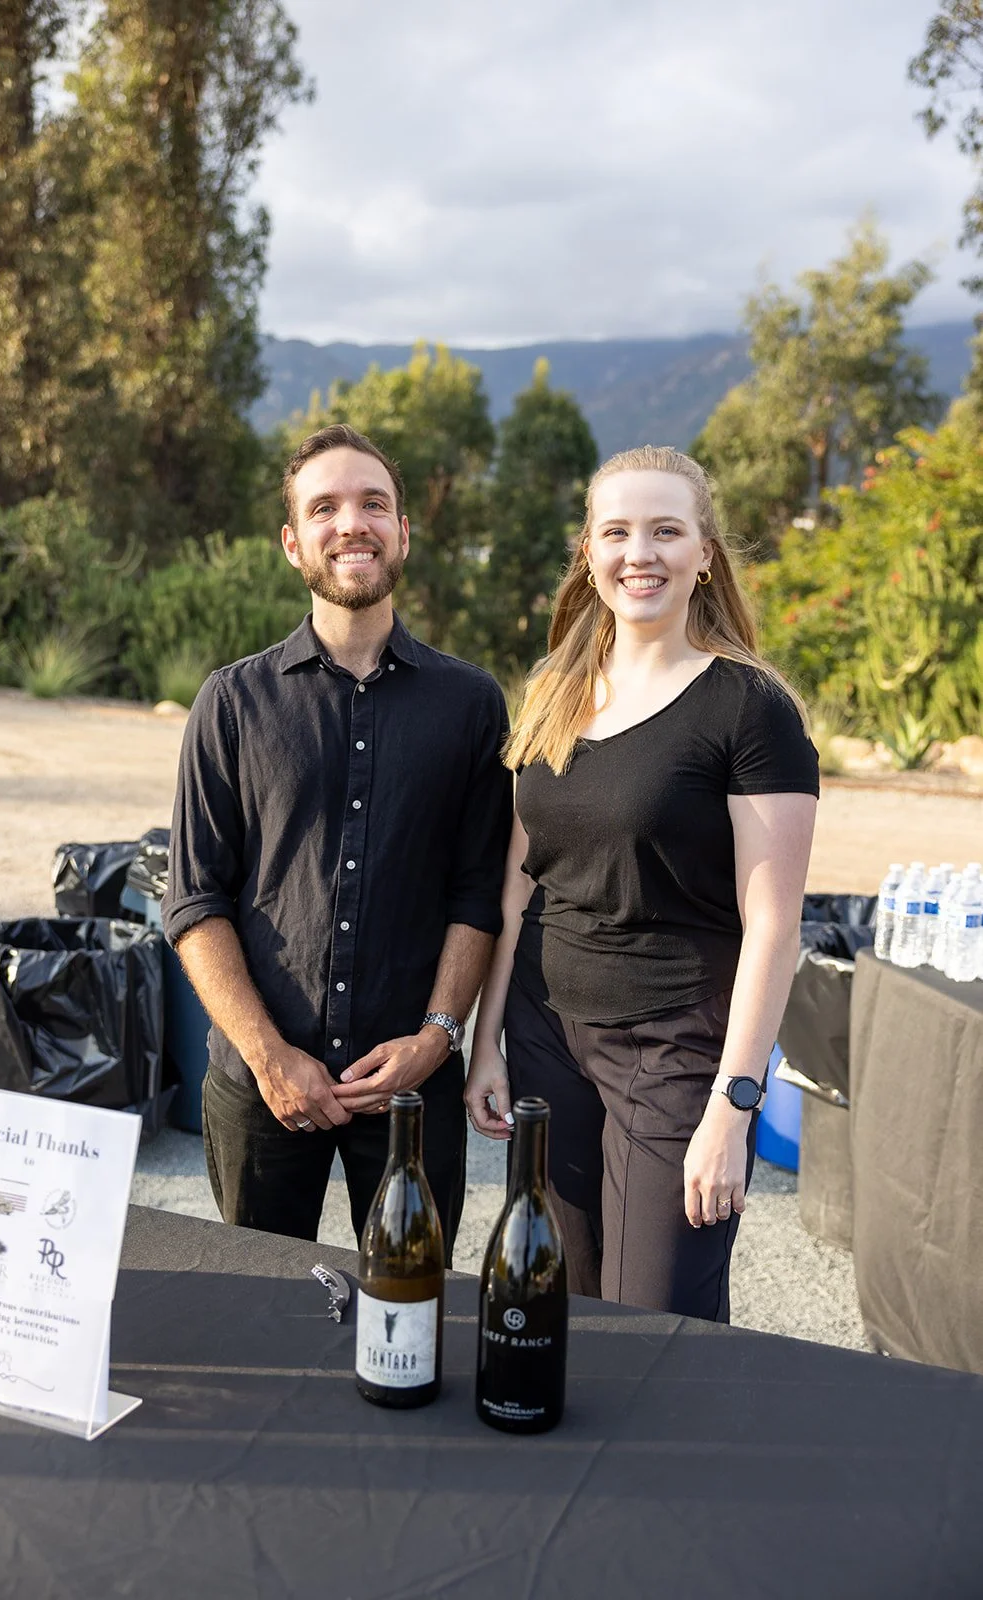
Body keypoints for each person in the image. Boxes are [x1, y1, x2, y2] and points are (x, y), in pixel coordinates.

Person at [465, 445, 818, 1321]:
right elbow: (519, 883)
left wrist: (734, 1105)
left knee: (662, 1327)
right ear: (587, 552)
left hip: (673, 1051)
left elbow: (773, 926)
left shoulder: (749, 708)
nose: (640, 553)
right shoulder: (553, 689)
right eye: (617, 531)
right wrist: (485, 1043)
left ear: (705, 554)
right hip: (545, 1034)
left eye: (666, 530)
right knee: (561, 1298)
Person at [162, 423, 513, 1257]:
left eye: (373, 504)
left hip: (411, 1085)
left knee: (408, 1310)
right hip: (258, 1078)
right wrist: (268, 1054)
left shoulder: (469, 704)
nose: (350, 523)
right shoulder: (232, 702)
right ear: (293, 544)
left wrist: (437, 1039)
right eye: (324, 507)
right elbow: (195, 901)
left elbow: (478, 891)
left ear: (402, 533)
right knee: (258, 1314)